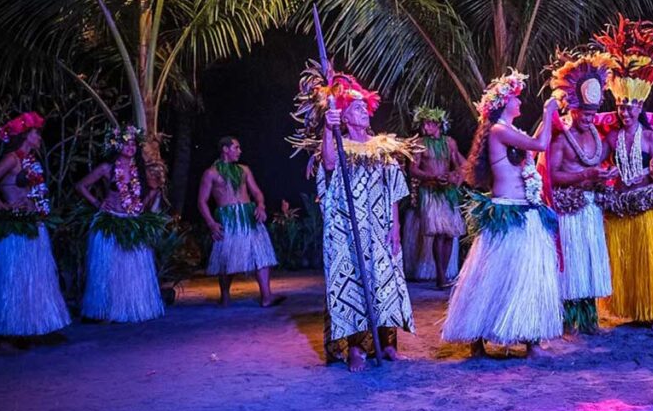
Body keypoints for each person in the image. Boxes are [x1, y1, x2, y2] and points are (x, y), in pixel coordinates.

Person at [441, 70, 563, 358]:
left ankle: (531, 340)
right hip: (508, 214)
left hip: (525, 211)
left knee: (528, 278)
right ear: (503, 102)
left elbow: (532, 144)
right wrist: (547, 113)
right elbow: (541, 145)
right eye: (515, 97)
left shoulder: (511, 132)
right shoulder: (498, 130)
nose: (519, 100)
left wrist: (546, 121)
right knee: (491, 279)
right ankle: (477, 339)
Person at [305, 72, 416, 372]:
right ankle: (355, 348)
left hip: (380, 229)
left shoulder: (382, 149)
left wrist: (396, 227)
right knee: (353, 283)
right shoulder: (339, 146)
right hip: (347, 230)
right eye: (355, 108)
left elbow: (394, 191)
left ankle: (388, 343)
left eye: (364, 108)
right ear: (344, 116)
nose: (363, 112)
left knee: (384, 281)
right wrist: (329, 127)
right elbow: (328, 164)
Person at [593, 17, 653, 324]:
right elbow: (598, 161)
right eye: (620, 106)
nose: (625, 111)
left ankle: (650, 308)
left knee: (648, 260)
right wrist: (606, 174)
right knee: (628, 262)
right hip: (621, 205)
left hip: (646, 204)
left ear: (639, 109)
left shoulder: (650, 137)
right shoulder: (611, 137)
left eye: (630, 107)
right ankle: (633, 309)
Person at [0, 111, 70, 340]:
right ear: (26, 135)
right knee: (13, 281)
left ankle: (34, 327)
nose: (39, 138)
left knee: (36, 279)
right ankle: (6, 333)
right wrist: (3, 206)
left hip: (33, 225)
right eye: (37, 134)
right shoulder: (12, 159)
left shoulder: (31, 161)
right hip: (14, 229)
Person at [546, 52, 616, 334]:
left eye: (592, 113)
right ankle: (568, 320)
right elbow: (552, 176)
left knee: (591, 261)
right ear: (572, 109)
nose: (589, 118)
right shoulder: (562, 139)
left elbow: (598, 164)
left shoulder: (596, 135)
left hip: (591, 206)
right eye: (584, 113)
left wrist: (604, 176)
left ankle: (589, 319)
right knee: (573, 264)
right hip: (570, 209)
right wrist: (586, 175)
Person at [76, 124, 164, 322]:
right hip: (111, 221)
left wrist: (143, 204)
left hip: (132, 222)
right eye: (126, 144)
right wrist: (98, 203)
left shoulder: (140, 170)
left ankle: (131, 307)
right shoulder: (107, 168)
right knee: (110, 270)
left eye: (133, 143)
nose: (131, 147)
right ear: (116, 146)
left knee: (131, 270)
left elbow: (155, 189)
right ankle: (106, 310)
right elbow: (81, 186)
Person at [197, 136, 281, 308]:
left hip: (248, 216)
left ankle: (267, 296)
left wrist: (261, 205)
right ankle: (225, 297)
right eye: (236, 147)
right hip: (228, 218)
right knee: (226, 257)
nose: (240, 151)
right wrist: (211, 223)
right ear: (225, 149)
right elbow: (201, 201)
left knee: (261, 255)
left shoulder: (244, 170)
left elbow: (257, 192)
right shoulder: (211, 173)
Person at [407, 105, 465, 288]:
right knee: (439, 234)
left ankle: (444, 275)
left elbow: (460, 164)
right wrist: (432, 177)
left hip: (448, 192)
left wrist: (455, 176)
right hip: (430, 192)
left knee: (449, 235)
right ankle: (441, 277)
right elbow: (413, 169)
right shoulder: (419, 144)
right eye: (423, 123)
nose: (425, 127)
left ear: (438, 124)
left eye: (429, 123)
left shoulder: (450, 143)